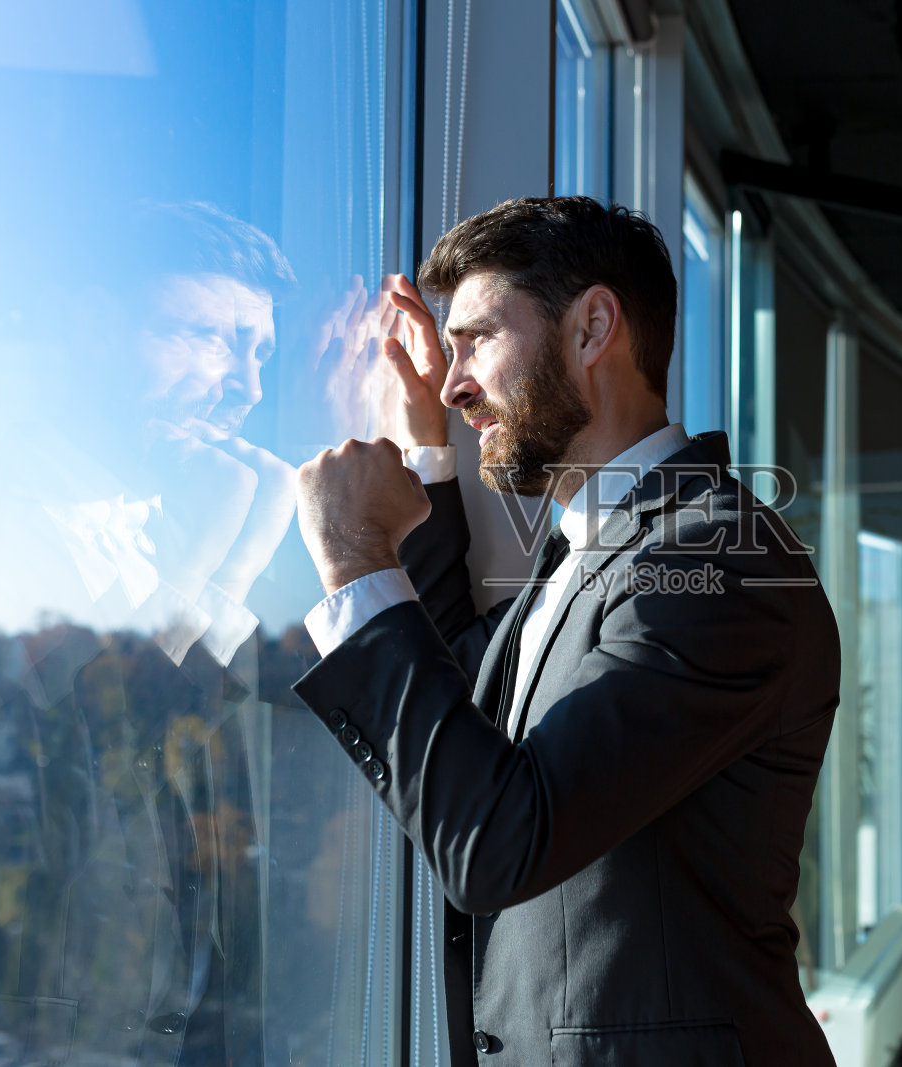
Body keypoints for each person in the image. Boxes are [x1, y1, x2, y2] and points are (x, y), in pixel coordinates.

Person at [293, 196, 841, 1065]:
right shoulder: (591, 549)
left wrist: (358, 558)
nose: (454, 379)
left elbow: (506, 836)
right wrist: (430, 453)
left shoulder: (715, 561)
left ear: (592, 328)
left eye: (476, 340)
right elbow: (468, 690)